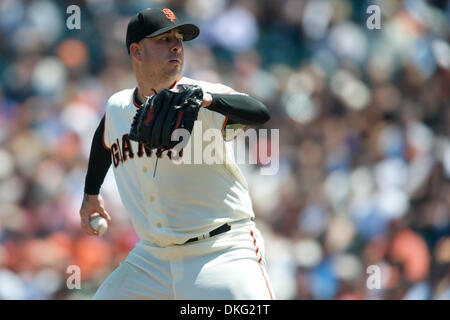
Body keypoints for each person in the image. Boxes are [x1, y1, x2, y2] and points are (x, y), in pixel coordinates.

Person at [79, 7, 274, 300]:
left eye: (179, 38)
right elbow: (103, 138)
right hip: (151, 260)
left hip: (222, 252)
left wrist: (209, 100)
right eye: (163, 39)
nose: (175, 45)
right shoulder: (118, 106)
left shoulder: (204, 95)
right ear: (137, 51)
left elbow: (260, 113)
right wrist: (91, 194)